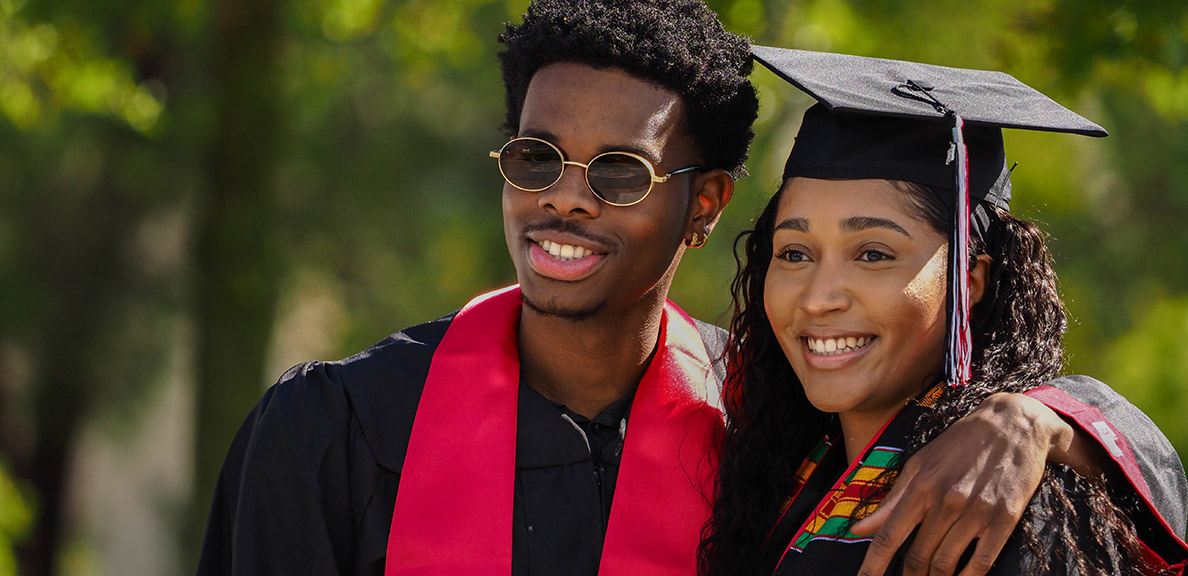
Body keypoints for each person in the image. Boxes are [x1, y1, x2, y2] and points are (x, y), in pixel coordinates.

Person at [197, 4, 1183, 575]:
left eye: (620, 172)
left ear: (705, 206)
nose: (565, 201)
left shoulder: (760, 422)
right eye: (536, 159)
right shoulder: (335, 430)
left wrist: (1042, 418)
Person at [699, 46, 1188, 576]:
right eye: (794, 254)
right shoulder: (774, 468)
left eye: (873, 255)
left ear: (970, 282)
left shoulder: (1008, 508)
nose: (819, 298)